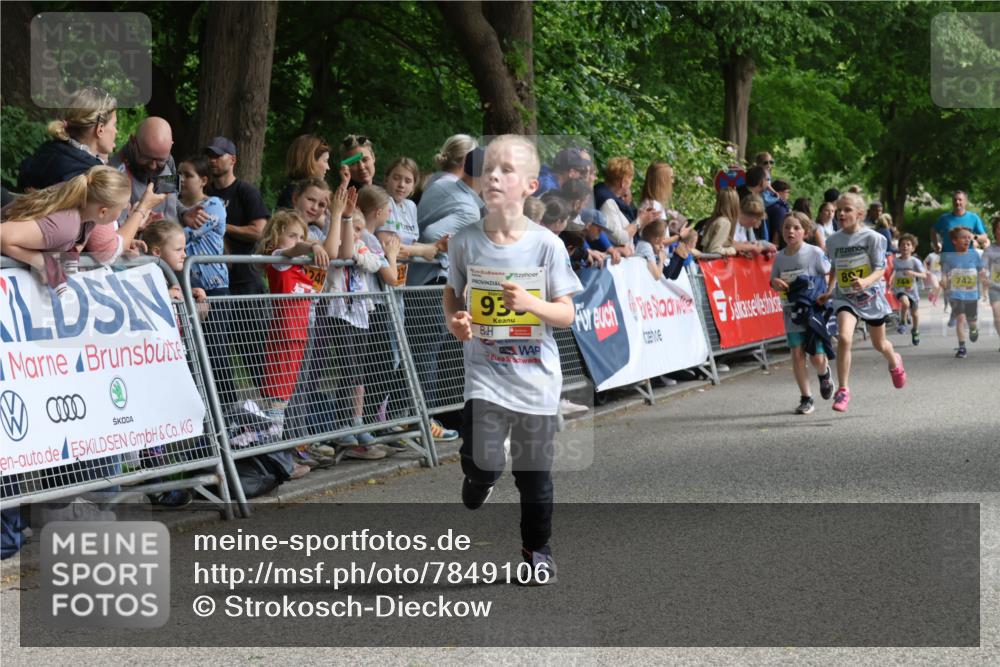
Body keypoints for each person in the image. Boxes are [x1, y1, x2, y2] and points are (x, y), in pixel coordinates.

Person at [444, 135, 582, 585]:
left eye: (506, 170)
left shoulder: (546, 246)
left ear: (529, 185)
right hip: (485, 375)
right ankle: (481, 477)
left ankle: (537, 552)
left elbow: (566, 314)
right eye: (488, 169)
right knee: (484, 461)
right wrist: (456, 322)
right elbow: (452, 293)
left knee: (534, 479)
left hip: (535, 381)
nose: (494, 176)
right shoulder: (465, 241)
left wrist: (530, 303)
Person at [819, 192, 906, 413]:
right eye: (839, 210)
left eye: (847, 209)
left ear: (860, 214)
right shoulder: (833, 240)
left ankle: (894, 360)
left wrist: (865, 282)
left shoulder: (874, 238)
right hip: (845, 296)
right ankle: (844, 390)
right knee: (845, 338)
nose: (841, 213)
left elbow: (880, 269)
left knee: (880, 344)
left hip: (870, 297)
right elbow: (836, 269)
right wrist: (829, 292)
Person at [256, 210, 329, 455]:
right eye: (292, 235)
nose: (298, 241)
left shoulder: (301, 266)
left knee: (288, 392)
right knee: (279, 390)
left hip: (301, 333)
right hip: (284, 332)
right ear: (277, 236)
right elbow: (291, 251)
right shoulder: (279, 257)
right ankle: (273, 446)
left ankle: (284, 446)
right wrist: (311, 245)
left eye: (301, 236)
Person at [204, 136, 271, 395]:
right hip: (215, 286)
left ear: (232, 160)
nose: (212, 160)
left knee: (255, 352)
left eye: (218, 155)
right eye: (210, 155)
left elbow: (259, 231)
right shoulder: (205, 193)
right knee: (218, 353)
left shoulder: (245, 191)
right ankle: (232, 413)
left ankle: (275, 412)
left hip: (246, 282)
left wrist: (220, 225)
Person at [0, 166, 134, 295]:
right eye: (122, 208)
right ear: (103, 211)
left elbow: (71, 244)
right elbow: (2, 236)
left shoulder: (80, 203)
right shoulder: (66, 226)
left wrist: (59, 264)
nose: (126, 209)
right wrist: (41, 262)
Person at [770, 212, 834, 414]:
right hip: (791, 312)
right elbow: (773, 280)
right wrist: (776, 283)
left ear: (805, 232)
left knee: (815, 357)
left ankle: (824, 375)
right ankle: (806, 398)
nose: (790, 231)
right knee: (797, 354)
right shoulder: (779, 257)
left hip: (812, 311)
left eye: (796, 228)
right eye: (787, 227)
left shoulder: (814, 252)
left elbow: (832, 271)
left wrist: (829, 292)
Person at [407, 147, 485, 287]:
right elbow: (432, 235)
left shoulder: (442, 183)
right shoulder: (469, 211)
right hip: (433, 281)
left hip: (411, 276)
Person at [378, 157, 445, 285]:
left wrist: (435, 246)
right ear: (386, 180)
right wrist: (423, 251)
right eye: (396, 178)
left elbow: (409, 243)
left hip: (399, 281)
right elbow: (389, 247)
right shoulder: (384, 202)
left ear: (414, 186)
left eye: (408, 181)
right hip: (380, 283)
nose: (401, 185)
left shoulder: (410, 206)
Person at [110, 117, 180, 222]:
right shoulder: (114, 172)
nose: (153, 166)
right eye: (146, 158)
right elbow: (115, 229)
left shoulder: (168, 161)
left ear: (170, 146)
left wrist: (184, 213)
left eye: (160, 160)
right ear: (133, 141)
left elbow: (170, 198)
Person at [941, 226, 988, 359]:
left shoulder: (975, 255)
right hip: (956, 295)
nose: (967, 240)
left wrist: (984, 279)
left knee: (972, 321)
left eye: (969, 237)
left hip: (972, 295)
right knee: (960, 319)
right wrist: (944, 281)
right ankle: (962, 347)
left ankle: (973, 329)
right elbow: (944, 273)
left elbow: (981, 270)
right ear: (954, 241)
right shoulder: (949, 257)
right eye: (963, 237)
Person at [593, 156, 656, 247]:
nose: (631, 183)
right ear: (623, 182)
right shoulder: (607, 202)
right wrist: (639, 221)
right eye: (630, 180)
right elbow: (619, 237)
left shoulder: (611, 197)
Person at [890, 234, 927, 344]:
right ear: (899, 247)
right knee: (905, 303)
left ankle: (915, 330)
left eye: (908, 244)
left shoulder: (915, 261)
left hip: (912, 290)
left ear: (913, 248)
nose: (905, 247)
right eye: (902, 245)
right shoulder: (895, 261)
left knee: (915, 313)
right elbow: (893, 271)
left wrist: (912, 273)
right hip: (900, 288)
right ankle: (902, 322)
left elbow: (924, 275)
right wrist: (890, 280)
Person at [277, 134, 331, 208]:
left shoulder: (292, 192)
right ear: (310, 161)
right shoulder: (291, 195)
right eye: (325, 161)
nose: (328, 167)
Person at [984, 216, 1000, 352]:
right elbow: (983, 267)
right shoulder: (989, 250)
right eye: (999, 228)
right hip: (995, 287)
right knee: (997, 313)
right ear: (995, 231)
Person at [766, 179, 792, 245]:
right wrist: (776, 246)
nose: (789, 195)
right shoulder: (780, 209)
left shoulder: (769, 204)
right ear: (779, 193)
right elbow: (777, 230)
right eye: (787, 192)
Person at [924, 241, 944, 306]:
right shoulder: (931, 255)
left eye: (940, 247)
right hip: (933, 273)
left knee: (940, 288)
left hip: (941, 273)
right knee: (936, 286)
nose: (938, 249)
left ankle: (936, 300)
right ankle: (932, 294)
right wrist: (926, 270)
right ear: (934, 248)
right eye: (937, 247)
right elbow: (925, 262)